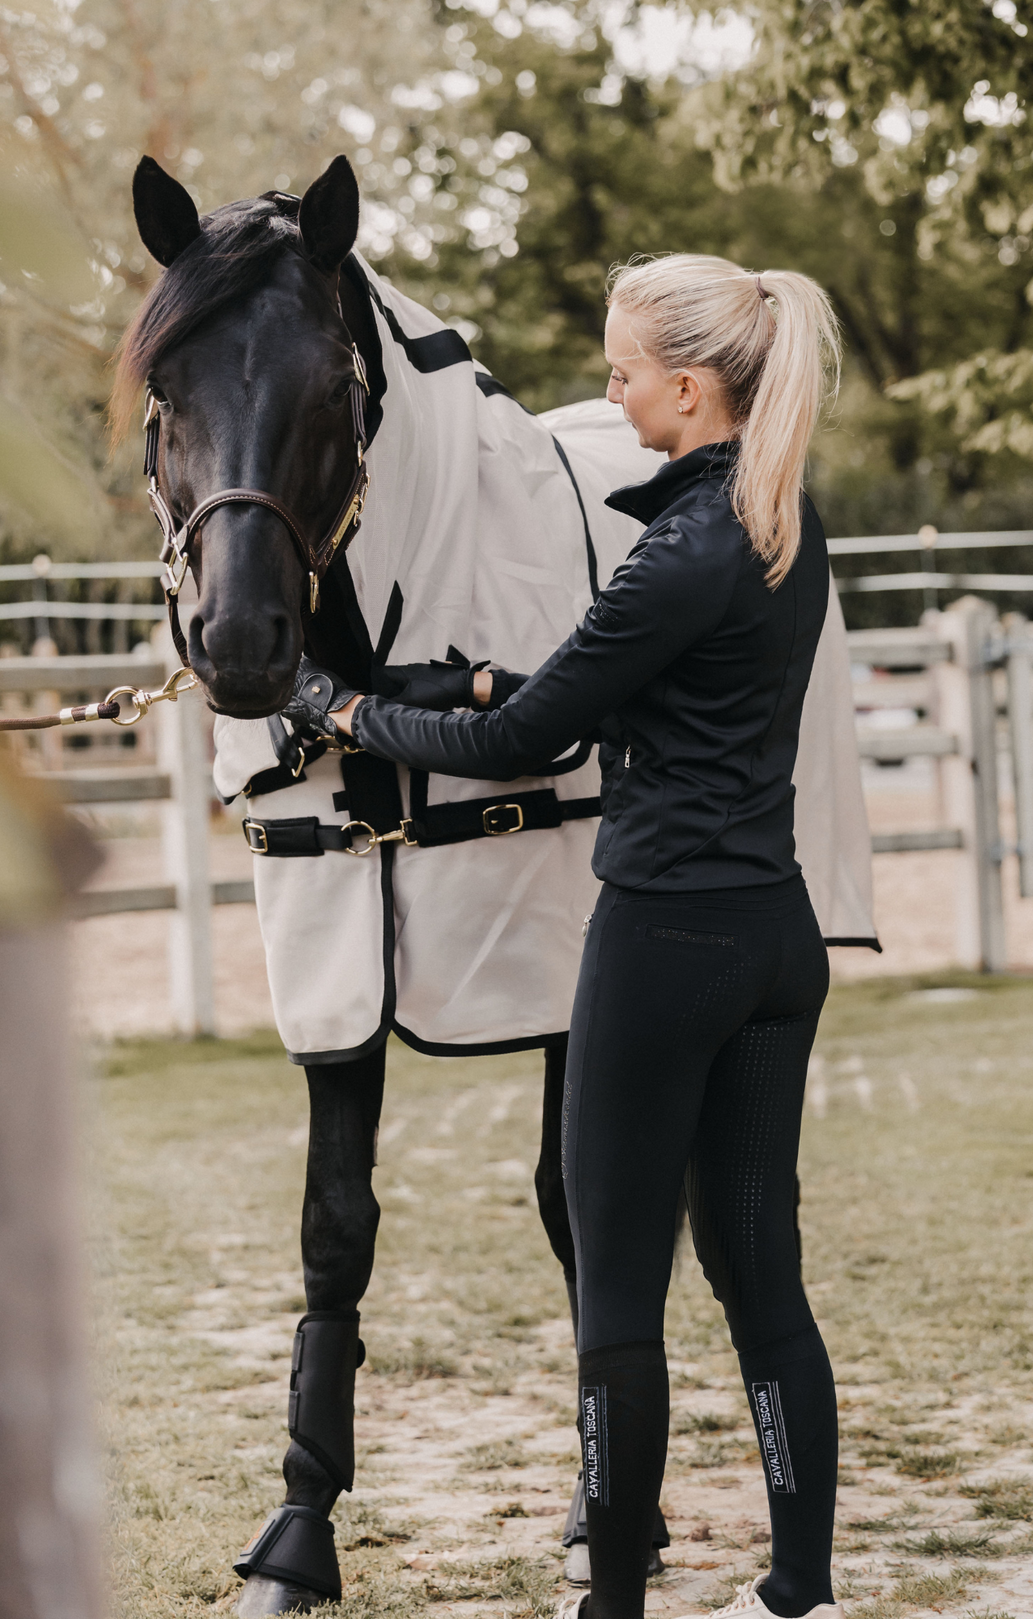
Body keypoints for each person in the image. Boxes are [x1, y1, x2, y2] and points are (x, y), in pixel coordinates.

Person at [282, 253, 845, 1619]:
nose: (607, 390)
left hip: (663, 944)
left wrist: (344, 709)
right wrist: (471, 671)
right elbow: (641, 689)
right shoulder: (775, 523)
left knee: (614, 1294)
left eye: (619, 371)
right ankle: (800, 1586)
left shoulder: (675, 548)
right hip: (774, 934)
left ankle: (609, 1605)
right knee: (761, 1279)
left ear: (689, 388)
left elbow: (519, 742)